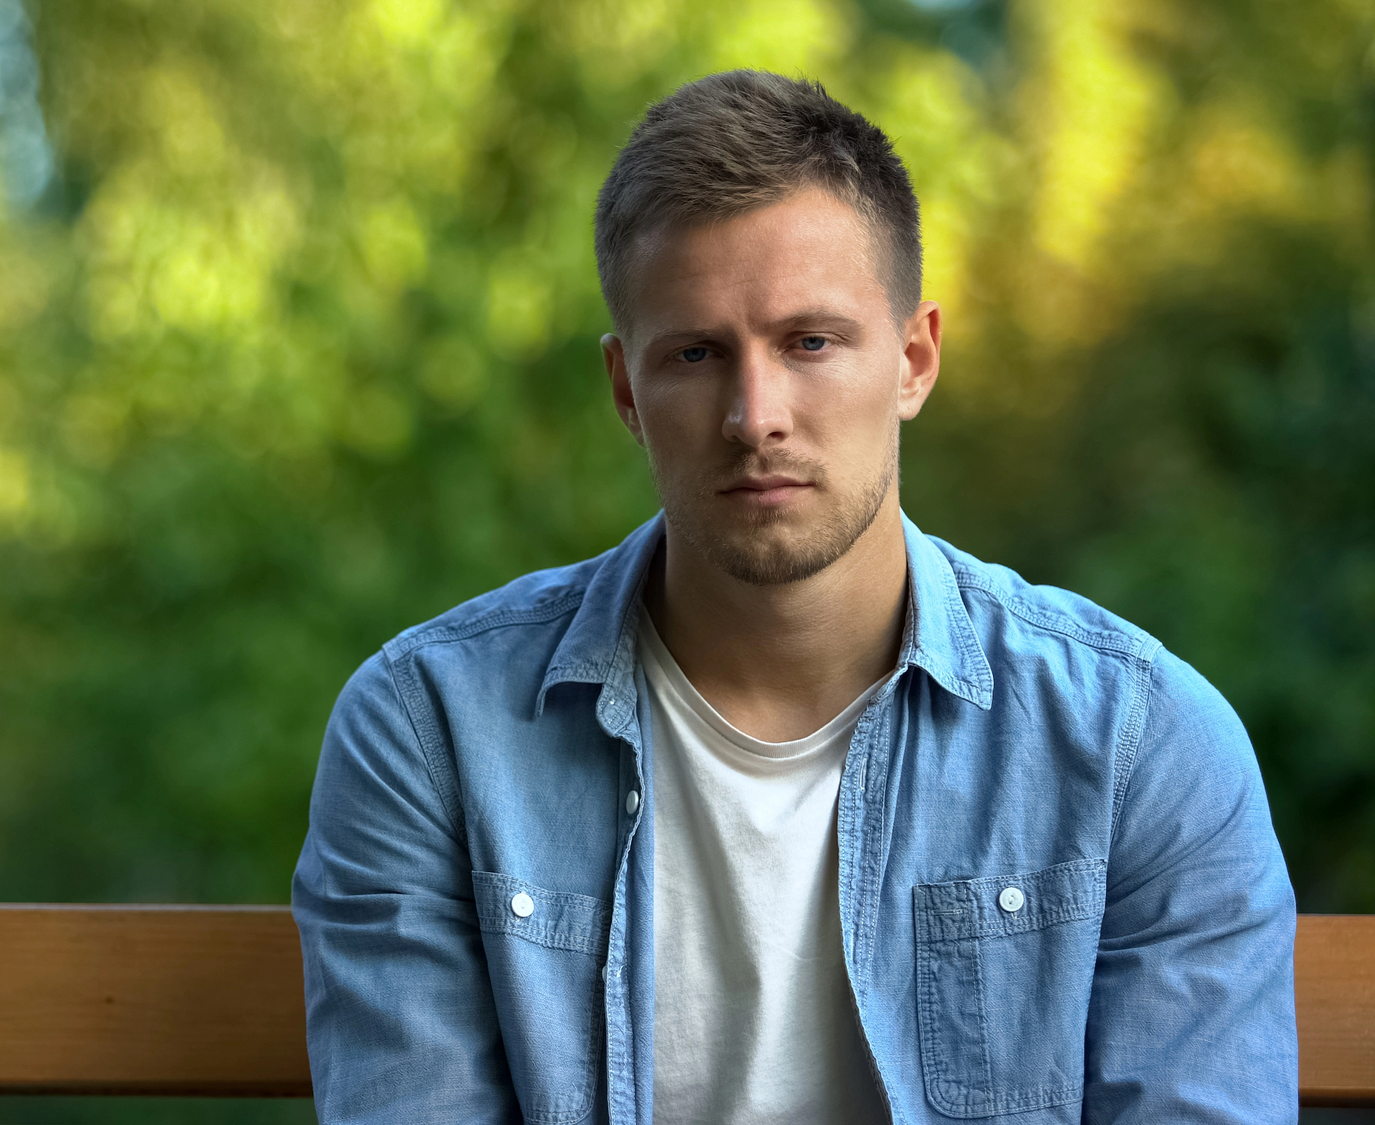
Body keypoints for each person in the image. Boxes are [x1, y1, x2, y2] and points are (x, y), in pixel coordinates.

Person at [290, 69, 1298, 1124]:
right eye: (694, 354)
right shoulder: (431, 732)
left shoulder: (1136, 744)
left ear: (912, 360)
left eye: (808, 342)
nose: (753, 414)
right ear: (626, 393)